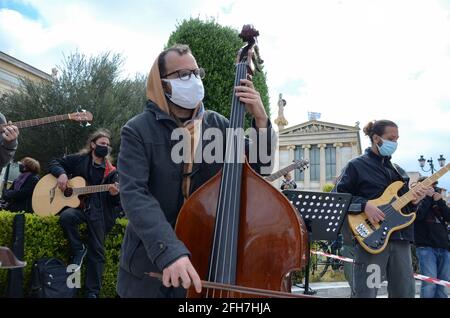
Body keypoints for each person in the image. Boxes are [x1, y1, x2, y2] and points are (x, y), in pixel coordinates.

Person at [116, 44, 274, 298]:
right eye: (182, 75)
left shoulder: (220, 126)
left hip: (207, 258)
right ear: (162, 84)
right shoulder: (137, 130)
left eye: (196, 72)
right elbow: (135, 195)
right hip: (149, 267)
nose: (193, 79)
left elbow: (260, 168)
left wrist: (261, 121)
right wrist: (169, 251)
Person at [336, 119, 428, 298]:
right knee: (367, 292)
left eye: (397, 139)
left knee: (404, 292)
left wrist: (416, 201)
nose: (395, 143)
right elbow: (340, 197)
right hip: (372, 241)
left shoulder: (399, 171)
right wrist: (364, 205)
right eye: (391, 138)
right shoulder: (356, 166)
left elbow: (407, 210)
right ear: (376, 138)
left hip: (400, 240)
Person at [48, 129, 120, 298]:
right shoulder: (80, 160)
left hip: (100, 214)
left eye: (108, 145)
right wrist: (62, 174)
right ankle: (77, 247)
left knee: (97, 252)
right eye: (102, 144)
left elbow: (116, 202)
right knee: (66, 217)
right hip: (80, 209)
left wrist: (115, 194)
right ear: (93, 144)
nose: (106, 147)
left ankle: (92, 293)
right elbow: (54, 162)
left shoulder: (112, 172)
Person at [414, 177, 450, 298]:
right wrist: (427, 198)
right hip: (425, 247)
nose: (431, 189)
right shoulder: (416, 201)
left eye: (433, 186)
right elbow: (418, 216)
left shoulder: (438, 201)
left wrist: (440, 202)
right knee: (430, 284)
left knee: (443, 285)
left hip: (444, 247)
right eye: (427, 186)